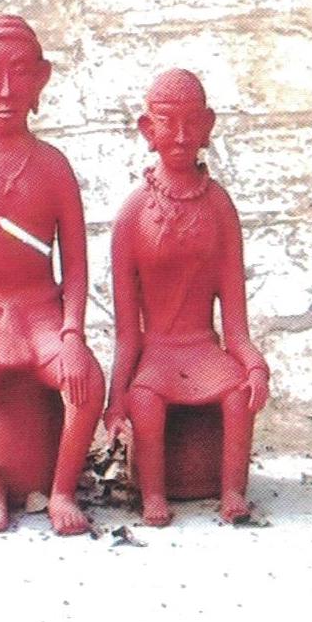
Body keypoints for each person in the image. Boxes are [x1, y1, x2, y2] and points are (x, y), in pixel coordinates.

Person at [0, 16, 104, 535]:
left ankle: (62, 489)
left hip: (41, 314)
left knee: (87, 383)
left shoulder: (53, 167)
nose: (6, 90)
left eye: (21, 73)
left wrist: (72, 334)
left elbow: (76, 266)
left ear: (41, 79)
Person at [105, 70, 270, 526]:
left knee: (238, 393)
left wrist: (255, 365)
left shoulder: (218, 207)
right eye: (166, 122)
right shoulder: (132, 214)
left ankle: (232, 490)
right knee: (145, 400)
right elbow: (127, 334)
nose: (180, 136)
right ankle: (154, 495)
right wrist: (115, 398)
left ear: (207, 126)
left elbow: (236, 327)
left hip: (203, 348)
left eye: (191, 123)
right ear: (147, 129)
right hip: (158, 351)